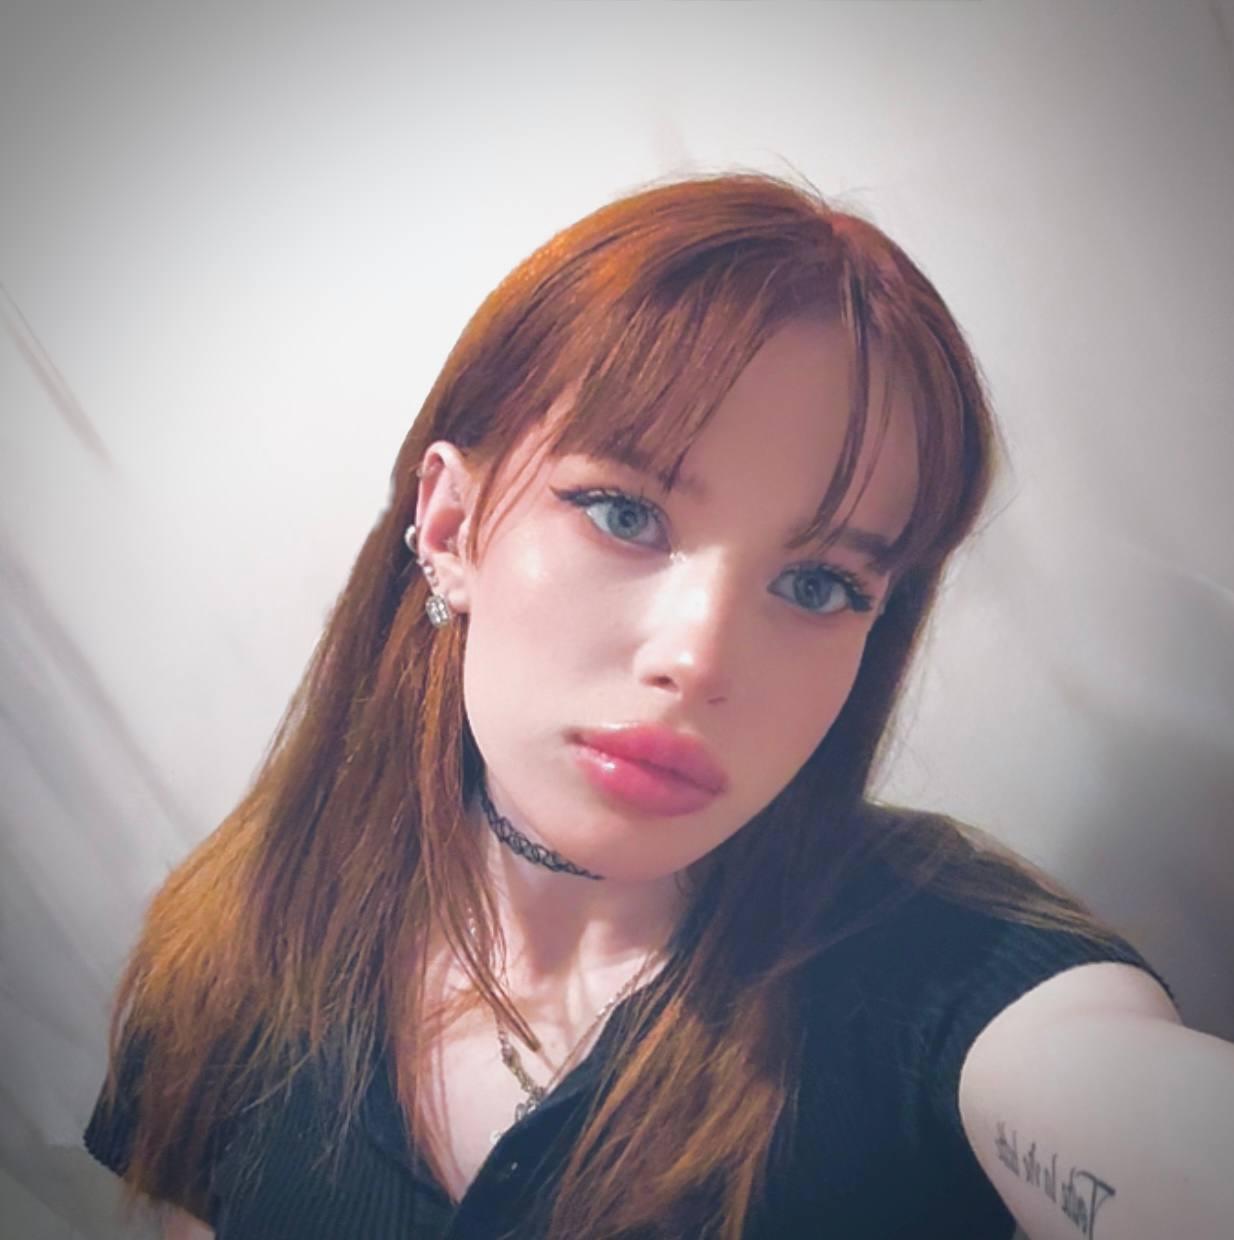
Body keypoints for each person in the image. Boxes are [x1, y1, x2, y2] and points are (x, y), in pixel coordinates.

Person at [83, 171, 1232, 1240]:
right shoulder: (249, 931)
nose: (697, 658)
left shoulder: (937, 973)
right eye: (623, 513)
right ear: (449, 526)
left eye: (818, 584)